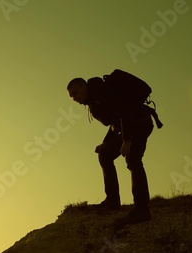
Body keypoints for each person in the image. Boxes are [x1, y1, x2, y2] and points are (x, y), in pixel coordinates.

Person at [67, 70, 160, 223]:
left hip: (141, 123)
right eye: (72, 96)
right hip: (130, 126)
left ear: (84, 86)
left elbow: (124, 111)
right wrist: (106, 142)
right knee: (105, 155)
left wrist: (127, 140)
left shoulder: (101, 93)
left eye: (76, 93)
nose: (75, 98)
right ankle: (112, 201)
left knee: (133, 160)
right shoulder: (94, 100)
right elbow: (115, 121)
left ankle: (142, 210)